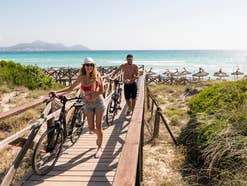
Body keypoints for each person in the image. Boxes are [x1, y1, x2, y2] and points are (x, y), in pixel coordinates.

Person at [56, 57, 106, 158]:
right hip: (88, 104)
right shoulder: (81, 77)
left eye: (91, 65)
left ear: (93, 66)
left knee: (99, 126)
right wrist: (56, 92)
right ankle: (99, 135)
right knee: (91, 128)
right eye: (87, 65)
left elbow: (102, 90)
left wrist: (93, 96)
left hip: (98, 103)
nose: (89, 67)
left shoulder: (97, 75)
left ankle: (99, 148)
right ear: (84, 66)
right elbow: (70, 88)